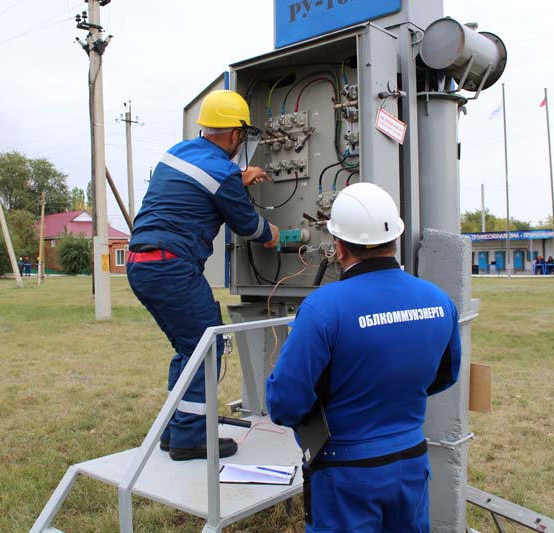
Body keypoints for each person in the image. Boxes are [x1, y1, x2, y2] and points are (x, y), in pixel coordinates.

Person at [266, 182, 462, 532]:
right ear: (395, 239)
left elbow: (284, 402)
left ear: (339, 248)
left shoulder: (323, 309)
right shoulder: (438, 300)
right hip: (410, 463)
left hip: (345, 474)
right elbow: (445, 375)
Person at [127, 90, 280, 461]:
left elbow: (201, 183)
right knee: (206, 346)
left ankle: (175, 430)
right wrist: (274, 235)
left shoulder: (177, 153)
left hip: (141, 264)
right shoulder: (224, 173)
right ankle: (190, 440)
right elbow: (248, 226)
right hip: (172, 267)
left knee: (189, 348)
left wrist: (240, 176)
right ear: (234, 135)